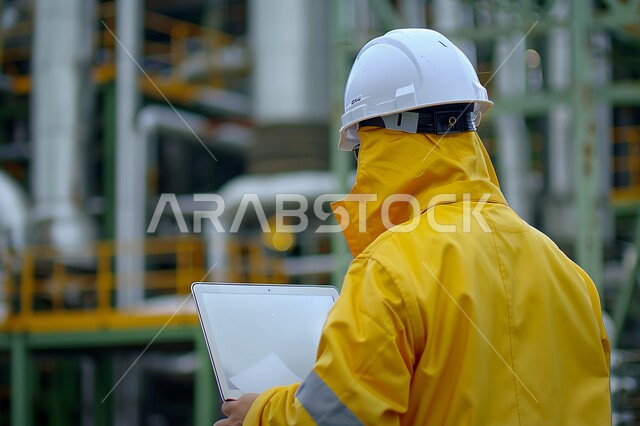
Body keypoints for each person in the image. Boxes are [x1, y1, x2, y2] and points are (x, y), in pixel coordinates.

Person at [216, 28, 611, 425]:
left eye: (359, 150)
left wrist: (262, 414)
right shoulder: (571, 278)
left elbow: (338, 415)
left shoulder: (390, 271)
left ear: (374, 140)